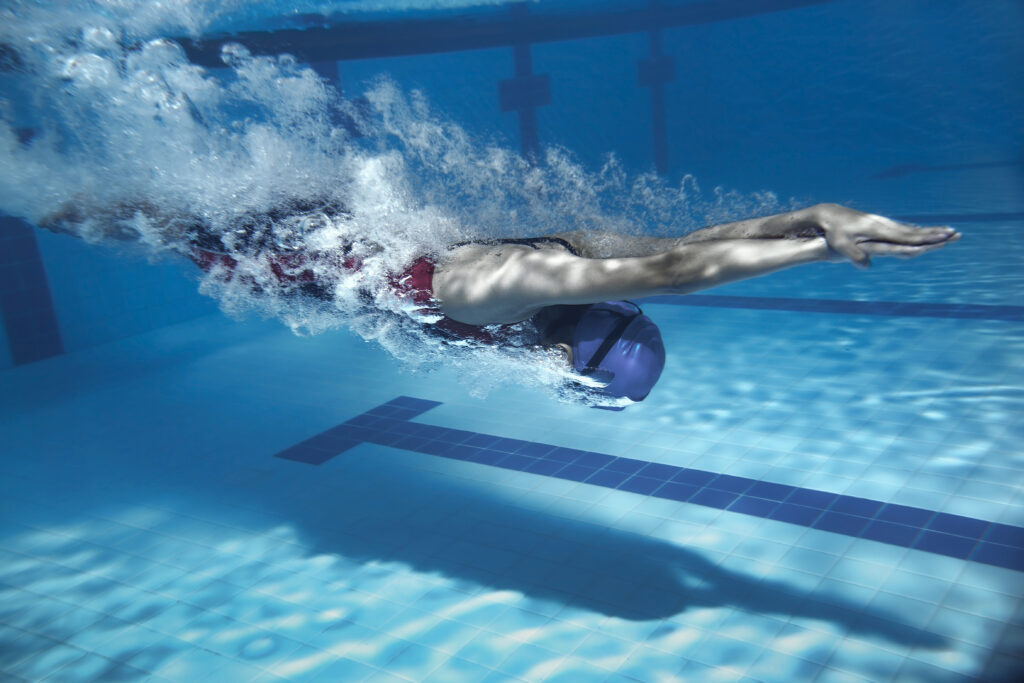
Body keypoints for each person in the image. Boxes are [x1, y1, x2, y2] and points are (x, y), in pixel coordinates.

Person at [40, 200, 960, 407]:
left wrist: (813, 214)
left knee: (129, 215)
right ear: (570, 353)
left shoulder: (570, 271)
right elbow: (679, 275)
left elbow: (684, 249)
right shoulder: (497, 292)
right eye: (573, 383)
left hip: (309, 247)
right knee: (116, 217)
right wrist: (815, 250)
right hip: (287, 250)